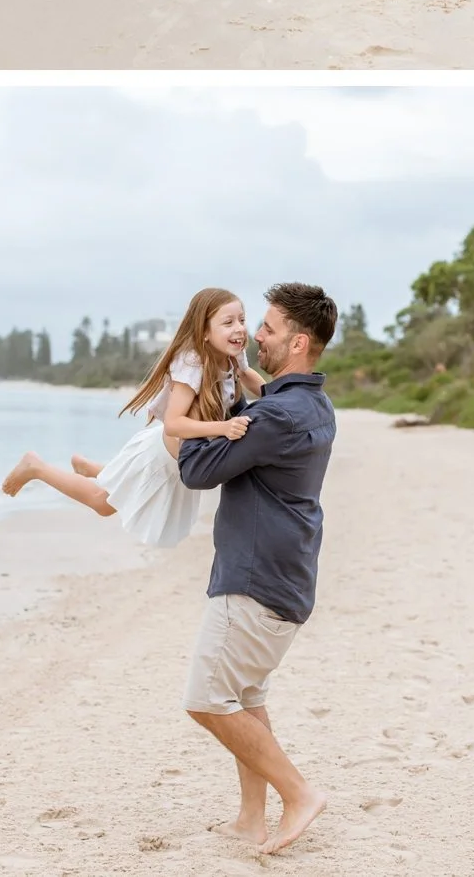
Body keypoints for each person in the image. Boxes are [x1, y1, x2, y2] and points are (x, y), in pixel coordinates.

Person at [178, 282, 339, 857]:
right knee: (244, 695)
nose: (254, 336)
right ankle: (251, 817)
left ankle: (298, 793)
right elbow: (269, 416)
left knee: (205, 698)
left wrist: (184, 420)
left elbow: (197, 471)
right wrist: (249, 388)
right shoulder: (313, 404)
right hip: (285, 577)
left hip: (254, 579)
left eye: (266, 328)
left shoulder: (277, 414)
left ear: (297, 342)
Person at [1, 289, 255, 538]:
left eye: (242, 320)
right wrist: (223, 427)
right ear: (204, 332)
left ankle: (93, 468)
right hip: (159, 459)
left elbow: (249, 377)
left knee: (119, 488)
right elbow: (174, 424)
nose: (239, 328)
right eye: (228, 322)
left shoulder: (232, 355)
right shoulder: (193, 364)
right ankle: (36, 467)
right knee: (102, 504)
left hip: (178, 458)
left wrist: (282, 392)